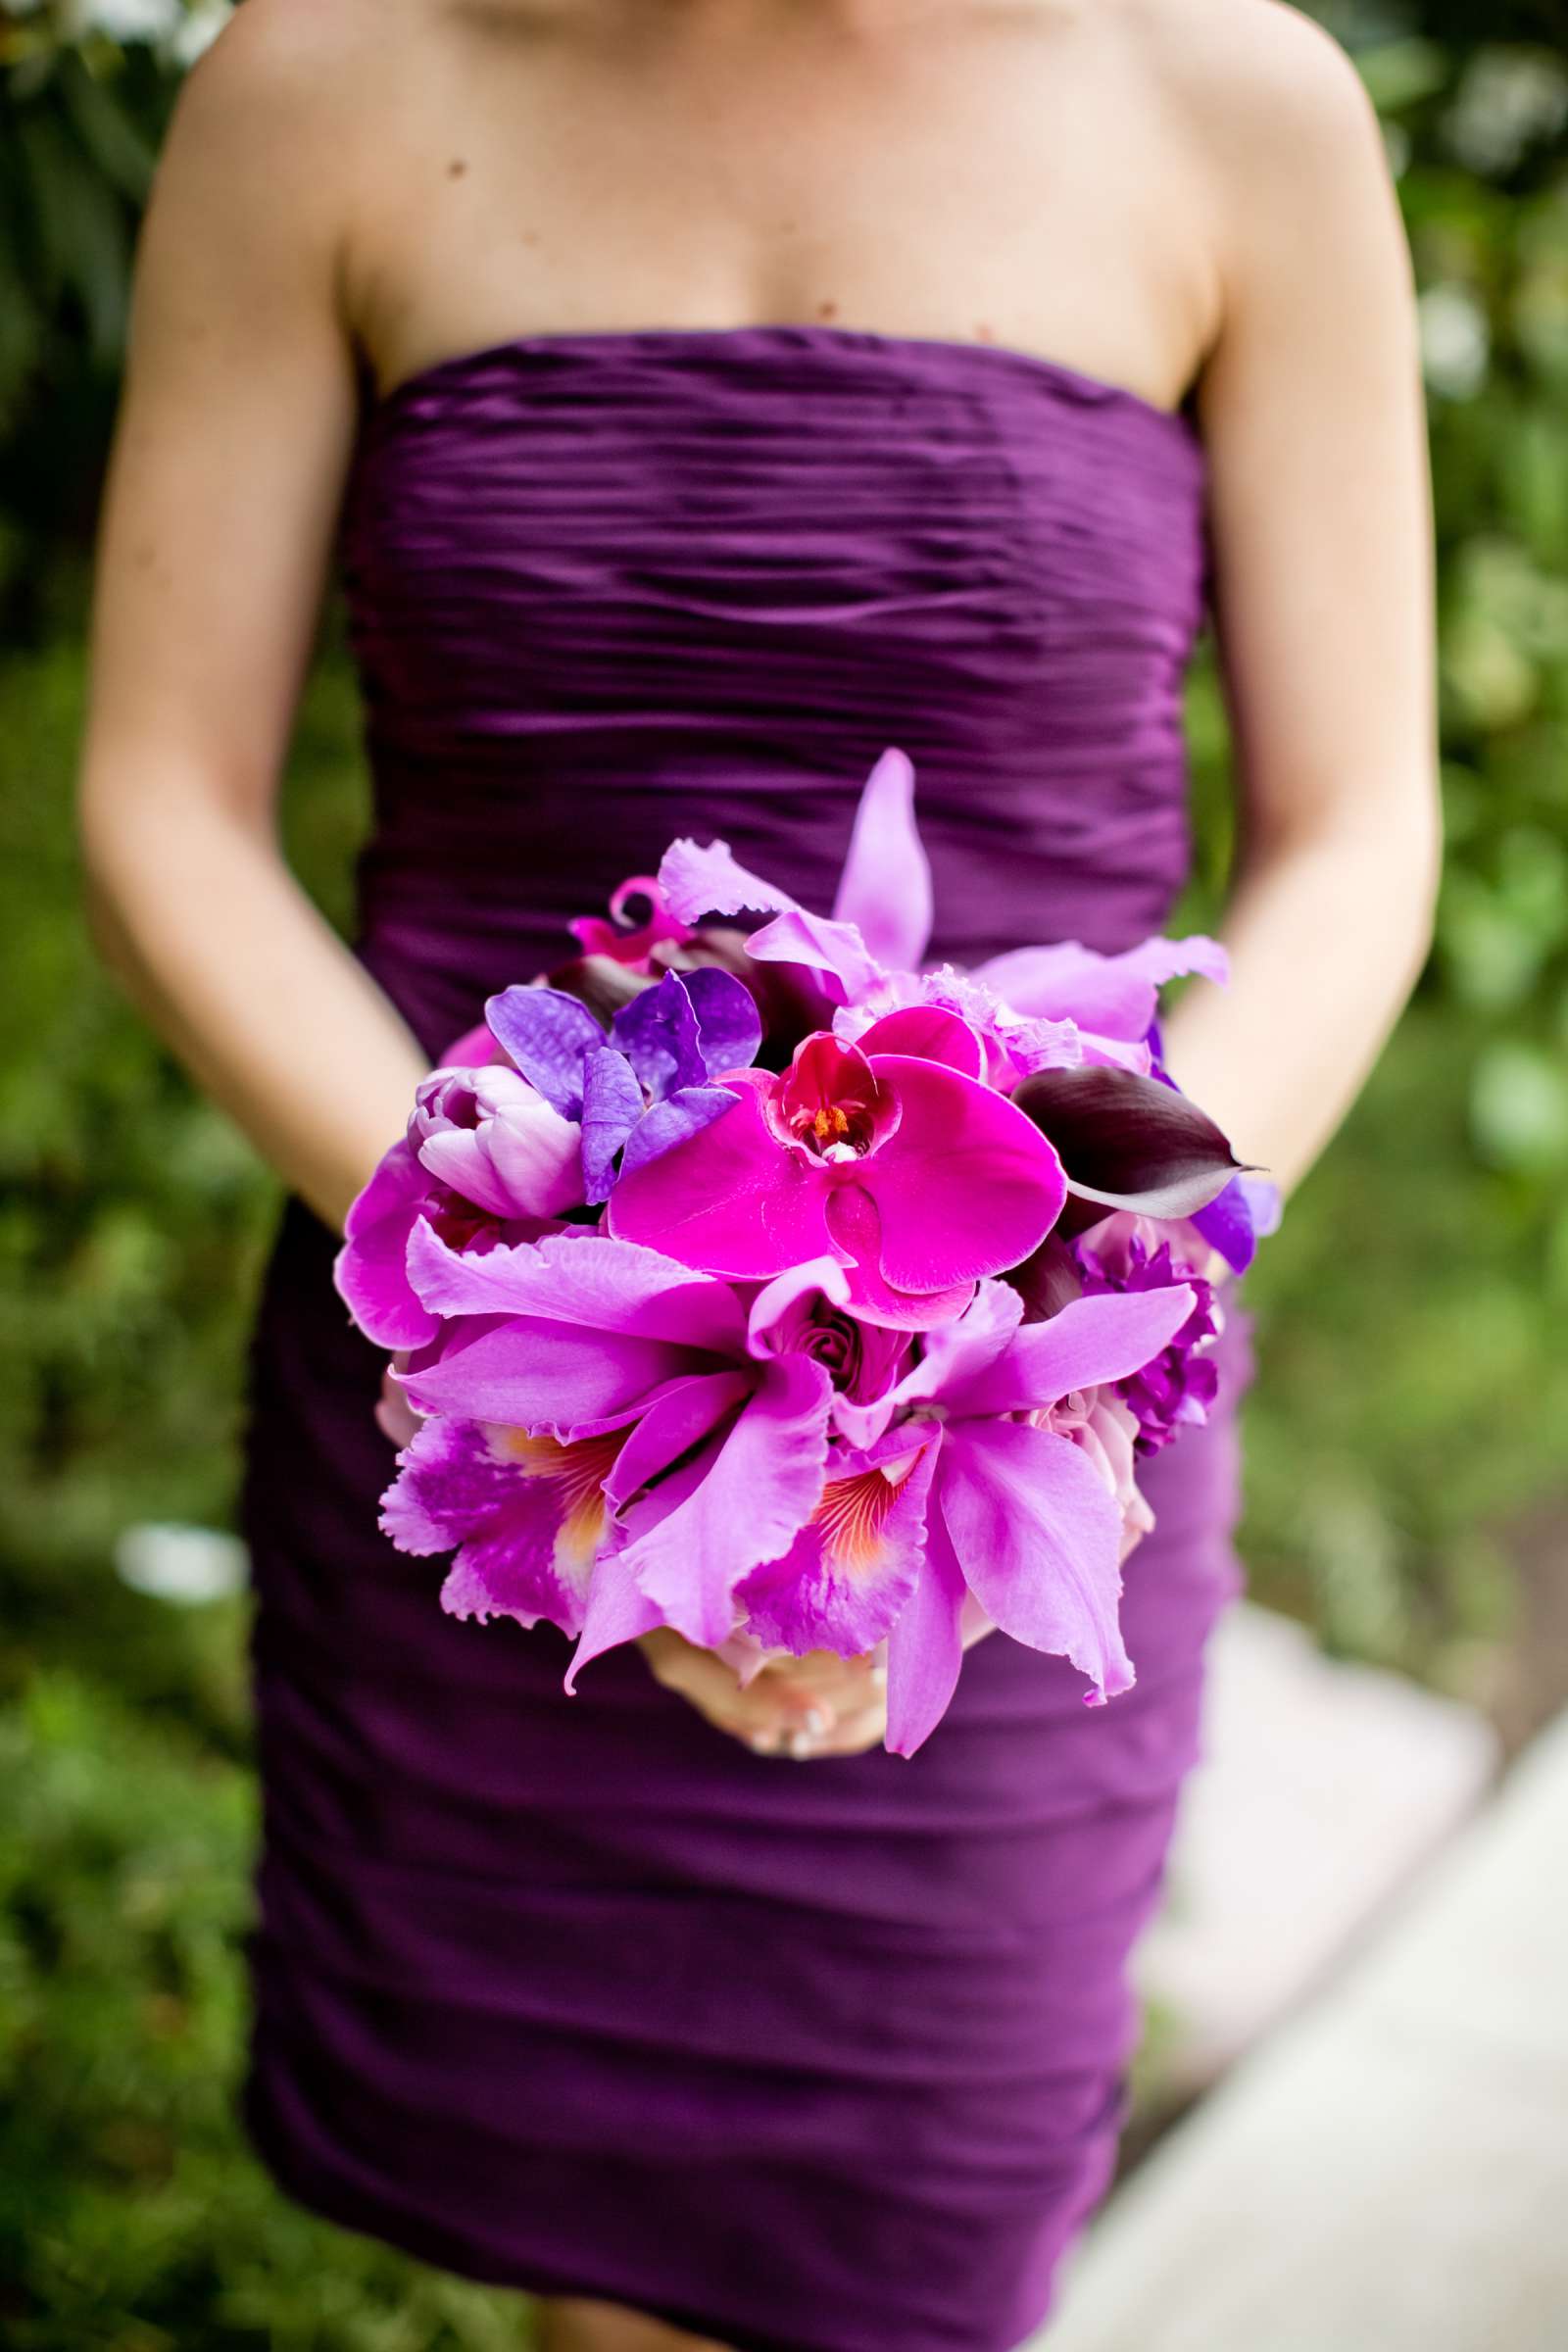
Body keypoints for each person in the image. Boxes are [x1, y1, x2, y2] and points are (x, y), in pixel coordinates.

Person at [75, 2, 1440, 2346]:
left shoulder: (1232, 102)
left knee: (897, 2238)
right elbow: (160, 804)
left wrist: (1054, 1290)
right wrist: (549, 1336)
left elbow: (1356, 833)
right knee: (593, 2261)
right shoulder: (323, 87)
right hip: (486, 1403)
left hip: (1011, 1432)